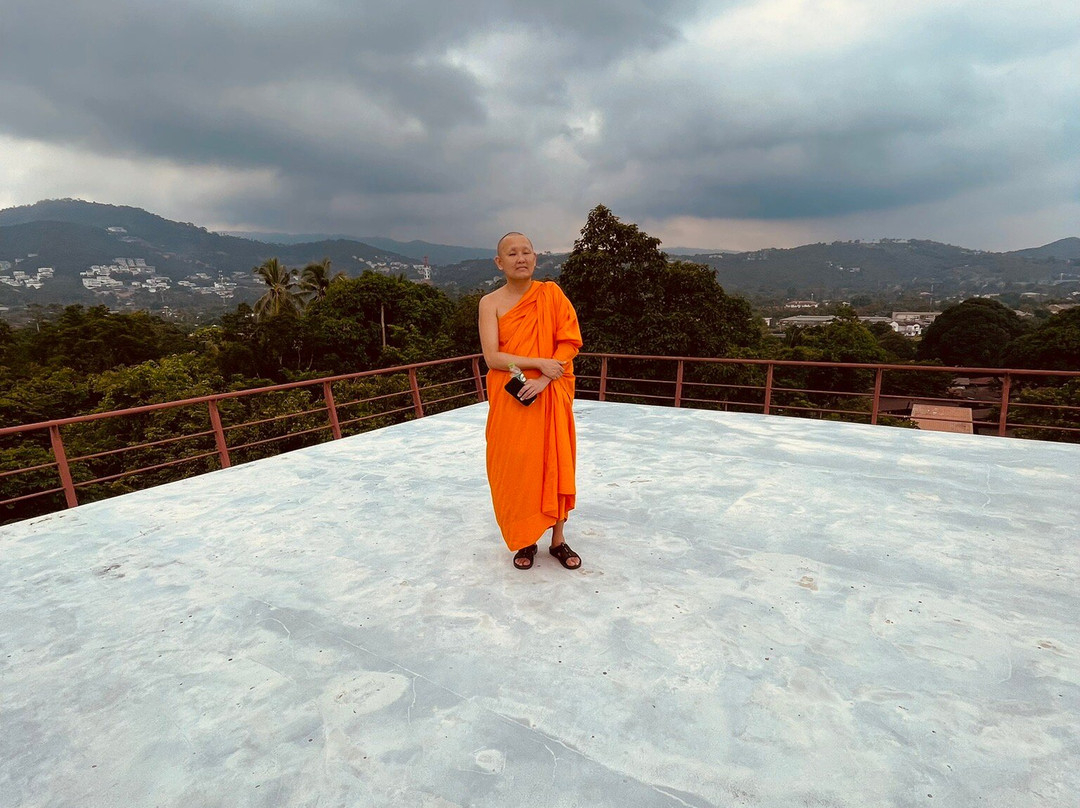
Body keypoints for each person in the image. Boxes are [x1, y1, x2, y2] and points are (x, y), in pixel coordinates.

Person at [478, 232, 583, 570]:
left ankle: (557, 540)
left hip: (550, 392)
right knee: (516, 466)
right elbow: (495, 358)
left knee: (555, 460)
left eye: (526, 252)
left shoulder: (551, 295)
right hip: (512, 395)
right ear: (499, 262)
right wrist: (535, 365)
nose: (520, 258)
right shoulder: (490, 303)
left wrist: (544, 380)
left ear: (536, 258)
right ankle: (525, 539)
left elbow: (569, 343)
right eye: (512, 253)